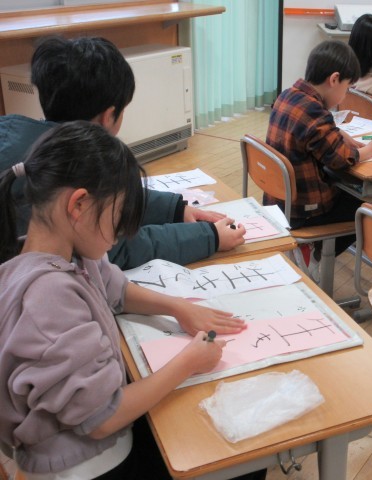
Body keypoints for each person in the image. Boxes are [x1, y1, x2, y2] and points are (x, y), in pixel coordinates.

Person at [0, 121, 271, 479]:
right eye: (117, 217)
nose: (119, 235)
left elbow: (118, 290)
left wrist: (178, 307)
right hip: (85, 465)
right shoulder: (48, 296)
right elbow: (100, 419)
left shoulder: (68, 252)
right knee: (242, 458)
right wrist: (188, 362)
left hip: (95, 441)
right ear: (78, 204)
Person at [0, 35, 246, 271]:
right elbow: (115, 248)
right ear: (108, 116)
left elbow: (115, 198)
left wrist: (175, 210)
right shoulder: (74, 170)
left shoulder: (28, 139)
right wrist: (208, 237)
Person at [265, 40, 372, 275]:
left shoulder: (288, 95)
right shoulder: (315, 112)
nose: (345, 95)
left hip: (278, 201)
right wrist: (369, 150)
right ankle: (315, 251)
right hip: (303, 211)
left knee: (348, 194)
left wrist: (337, 132)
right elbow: (341, 159)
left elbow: (309, 133)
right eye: (347, 87)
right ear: (334, 79)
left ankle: (312, 248)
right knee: (367, 210)